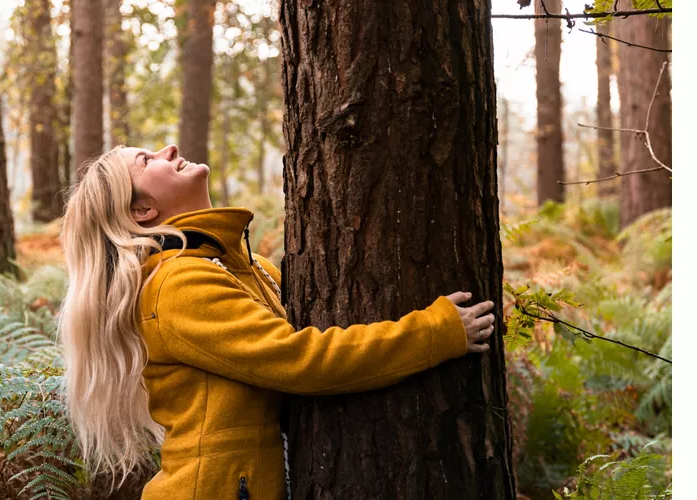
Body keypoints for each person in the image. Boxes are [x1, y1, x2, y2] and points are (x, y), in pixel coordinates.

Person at [59, 144, 496, 500]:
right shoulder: (177, 284)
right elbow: (301, 359)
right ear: (141, 212)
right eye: (147, 160)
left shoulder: (245, 267)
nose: (168, 149)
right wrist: (434, 333)